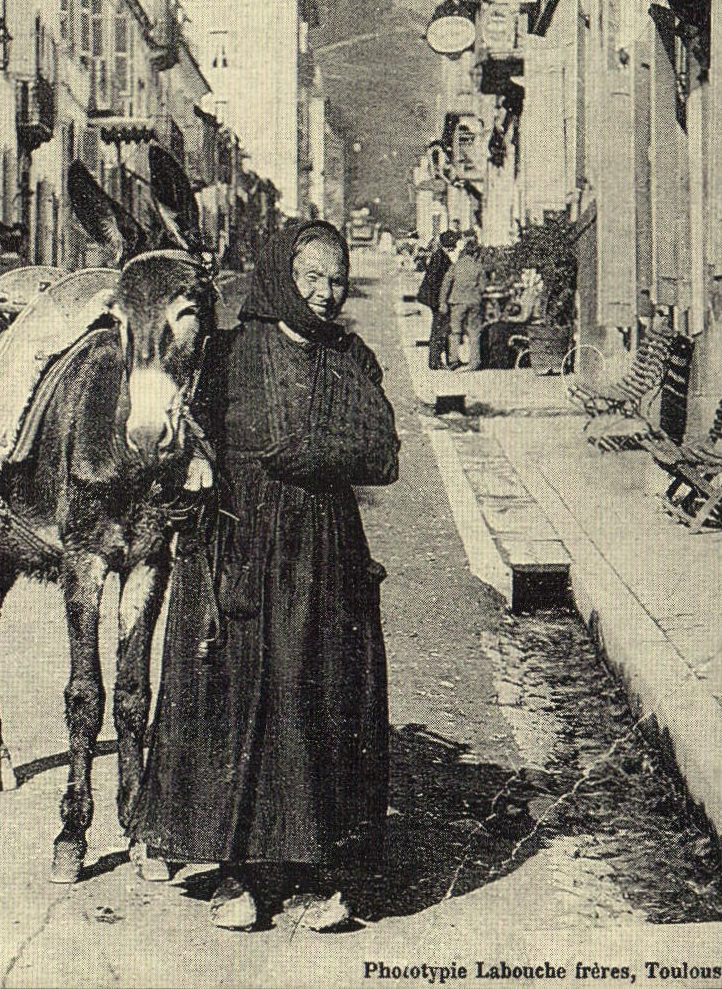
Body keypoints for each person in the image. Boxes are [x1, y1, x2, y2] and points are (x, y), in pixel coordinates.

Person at [131, 218, 400, 932]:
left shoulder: (351, 357)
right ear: (281, 274)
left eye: (336, 278)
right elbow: (173, 437)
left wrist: (316, 452)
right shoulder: (226, 355)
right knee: (232, 703)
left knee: (316, 703)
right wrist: (186, 480)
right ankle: (242, 875)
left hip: (323, 560)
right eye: (311, 275)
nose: (325, 292)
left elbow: (381, 453)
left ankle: (315, 875)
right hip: (237, 549)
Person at [439, 231, 486, 370]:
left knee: (455, 331)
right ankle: (474, 362)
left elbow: (446, 284)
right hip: (474, 301)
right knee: (474, 331)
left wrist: (443, 302)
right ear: (475, 254)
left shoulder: (456, 266)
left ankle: (453, 360)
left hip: (457, 302)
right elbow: (483, 287)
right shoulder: (478, 267)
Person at [416, 229, 459, 369]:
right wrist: (441, 302)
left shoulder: (439, 256)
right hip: (435, 299)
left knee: (440, 328)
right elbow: (435, 282)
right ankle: (435, 361)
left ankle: (440, 359)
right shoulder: (440, 258)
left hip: (434, 298)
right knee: (439, 329)